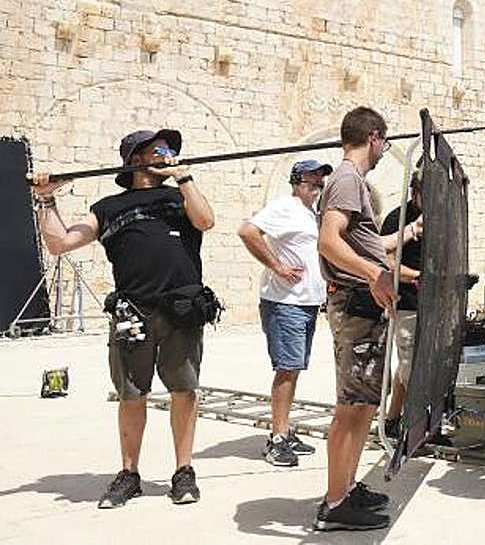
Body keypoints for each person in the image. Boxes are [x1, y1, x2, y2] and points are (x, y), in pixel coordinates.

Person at [28, 129, 215, 508]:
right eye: (158, 148)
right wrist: (45, 198)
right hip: (134, 313)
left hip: (183, 311)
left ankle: (184, 472)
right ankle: (129, 474)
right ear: (135, 159)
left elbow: (206, 221)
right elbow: (60, 243)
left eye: (169, 148)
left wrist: (184, 177)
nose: (167, 152)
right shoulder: (108, 207)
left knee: (184, 391)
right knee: (132, 394)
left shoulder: (181, 196)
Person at [313, 106, 413, 532]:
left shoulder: (350, 182)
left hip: (365, 307)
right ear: (373, 137)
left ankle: (346, 487)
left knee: (365, 403)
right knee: (351, 406)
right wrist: (374, 274)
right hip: (355, 305)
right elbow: (328, 241)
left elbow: (362, 243)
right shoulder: (347, 179)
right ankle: (335, 502)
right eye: (383, 142)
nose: (383, 151)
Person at [237, 158, 332, 467]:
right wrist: (276, 266)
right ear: (296, 180)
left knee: (294, 368)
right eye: (311, 177)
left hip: (306, 303)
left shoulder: (311, 214)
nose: (317, 182)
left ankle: (285, 430)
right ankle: (277, 439)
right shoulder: (284, 207)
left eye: (320, 178)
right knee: (287, 369)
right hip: (285, 302)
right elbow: (248, 232)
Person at [378, 170, 425, 439]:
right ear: (415, 192)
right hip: (406, 302)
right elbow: (386, 260)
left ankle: (393, 419)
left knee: (411, 365)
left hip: (431, 304)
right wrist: (417, 276)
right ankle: (417, 425)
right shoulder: (398, 218)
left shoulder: (437, 218)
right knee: (411, 368)